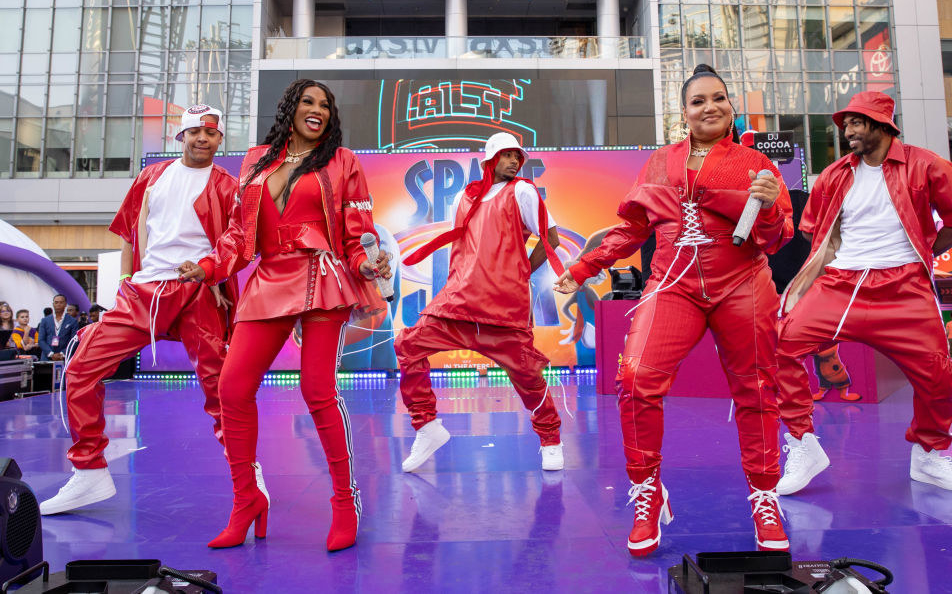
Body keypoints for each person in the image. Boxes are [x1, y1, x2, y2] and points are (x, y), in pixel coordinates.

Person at [554, 64, 795, 555]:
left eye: (719, 98)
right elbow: (630, 230)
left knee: (758, 387)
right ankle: (647, 490)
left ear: (730, 105)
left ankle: (764, 496)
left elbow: (775, 239)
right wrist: (583, 267)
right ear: (683, 113)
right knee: (637, 379)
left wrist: (769, 207)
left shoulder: (758, 166)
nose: (711, 107)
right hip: (672, 285)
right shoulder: (659, 163)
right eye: (698, 101)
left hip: (743, 284)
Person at [177, 79, 390, 552]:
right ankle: (246, 499)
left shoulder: (343, 161)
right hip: (269, 279)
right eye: (309, 102)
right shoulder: (255, 159)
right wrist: (208, 267)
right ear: (291, 109)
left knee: (316, 388)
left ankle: (345, 501)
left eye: (326, 106)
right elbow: (237, 234)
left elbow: (358, 235)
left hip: (321, 278)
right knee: (231, 388)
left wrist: (366, 262)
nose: (318, 110)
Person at [773, 90, 952, 496]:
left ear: (881, 125)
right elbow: (812, 229)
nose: (847, 131)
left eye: (855, 123)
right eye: (845, 124)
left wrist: (929, 249)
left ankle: (929, 454)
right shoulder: (835, 174)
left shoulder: (927, 165)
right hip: (842, 283)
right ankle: (803, 444)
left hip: (904, 286)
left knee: (939, 377)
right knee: (779, 345)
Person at [38, 104, 241, 516]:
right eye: (194, 132)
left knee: (222, 388)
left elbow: (234, 245)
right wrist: (125, 280)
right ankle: (90, 471)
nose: (203, 138)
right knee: (80, 369)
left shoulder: (229, 186)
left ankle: (245, 471)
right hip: (144, 291)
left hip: (197, 291)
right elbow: (130, 231)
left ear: (220, 138)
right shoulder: (153, 176)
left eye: (211, 132)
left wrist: (211, 277)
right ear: (179, 136)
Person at [396, 132, 565, 474]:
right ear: (490, 159)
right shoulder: (464, 196)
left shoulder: (522, 191)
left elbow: (552, 238)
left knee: (529, 380)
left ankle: (551, 439)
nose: (515, 161)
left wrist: (520, 272)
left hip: (502, 310)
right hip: (458, 303)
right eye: (507, 155)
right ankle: (427, 427)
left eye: (518, 156)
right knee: (408, 345)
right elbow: (463, 247)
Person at [37, 294, 78, 361]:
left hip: (64, 358)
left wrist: (62, 353)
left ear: (65, 304)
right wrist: (51, 354)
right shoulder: (45, 320)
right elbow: (41, 340)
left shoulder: (72, 321)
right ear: (53, 304)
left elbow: (74, 341)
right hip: (47, 358)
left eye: (61, 302)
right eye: (56, 302)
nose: (58, 304)